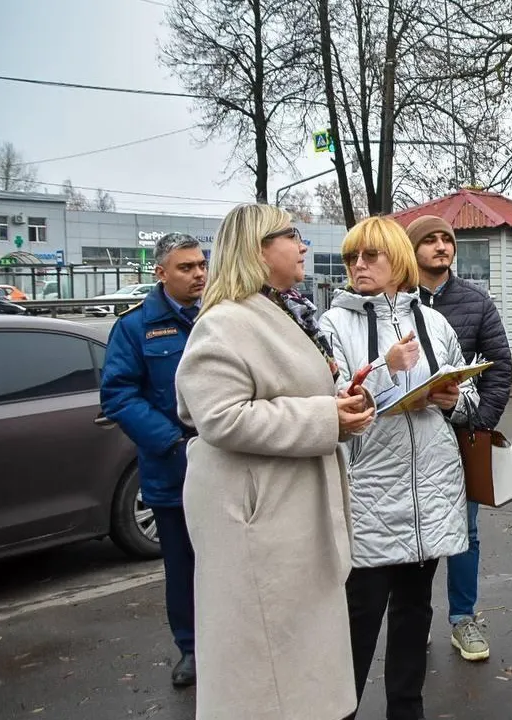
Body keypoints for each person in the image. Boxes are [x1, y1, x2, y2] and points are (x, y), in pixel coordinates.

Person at [175, 204, 374, 720]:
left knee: (298, 658)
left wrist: (340, 400)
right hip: (258, 518)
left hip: (288, 509)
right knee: (266, 672)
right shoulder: (225, 322)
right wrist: (326, 417)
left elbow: (287, 389)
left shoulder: (284, 309)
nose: (304, 245)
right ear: (259, 248)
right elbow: (219, 417)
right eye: (293, 235)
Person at [320, 216, 479, 720]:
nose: (358, 266)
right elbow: (335, 403)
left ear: (398, 261)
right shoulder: (332, 325)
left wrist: (454, 398)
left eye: (370, 256)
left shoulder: (433, 322)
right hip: (369, 491)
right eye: (352, 258)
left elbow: (469, 397)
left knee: (415, 613)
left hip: (430, 490)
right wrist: (388, 370)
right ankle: (339, 711)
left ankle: (406, 710)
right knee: (359, 617)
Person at [100, 233, 208, 688]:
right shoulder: (135, 327)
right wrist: (173, 443)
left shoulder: (219, 315)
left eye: (202, 264)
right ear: (160, 273)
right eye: (186, 268)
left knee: (230, 562)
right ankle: (191, 649)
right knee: (182, 566)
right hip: (174, 468)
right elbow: (119, 396)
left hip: (228, 462)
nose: (199, 274)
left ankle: (233, 642)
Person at [406, 214, 512, 662]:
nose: (440, 247)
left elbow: (500, 364)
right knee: (412, 530)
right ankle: (413, 619)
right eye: (428, 240)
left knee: (464, 530)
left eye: (445, 240)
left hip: (461, 436)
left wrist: (481, 421)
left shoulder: (476, 302)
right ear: (412, 251)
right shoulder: (395, 303)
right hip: (409, 439)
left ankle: (463, 618)